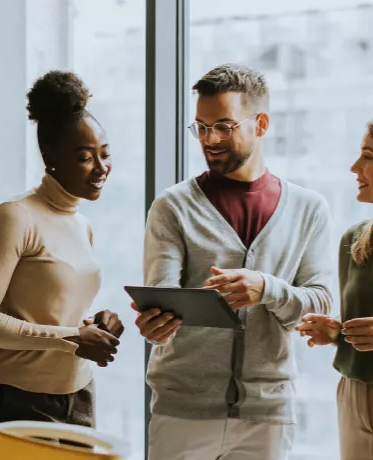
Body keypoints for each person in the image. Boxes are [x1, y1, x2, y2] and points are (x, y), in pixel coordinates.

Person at [132, 63, 333, 459]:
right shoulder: (173, 206)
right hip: (183, 411)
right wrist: (156, 326)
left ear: (260, 123)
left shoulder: (309, 209)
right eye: (201, 127)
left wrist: (266, 289)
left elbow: (321, 302)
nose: (210, 139)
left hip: (268, 414)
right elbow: (164, 297)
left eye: (224, 125)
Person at [0, 70, 124, 432]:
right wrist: (72, 339)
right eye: (85, 157)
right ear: (51, 156)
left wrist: (93, 323)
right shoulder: (15, 217)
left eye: (105, 154)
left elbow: (53, 309)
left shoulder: (82, 225)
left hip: (80, 394)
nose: (101, 168)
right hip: (18, 398)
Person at [296, 121, 373, 460]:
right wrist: (336, 331)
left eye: (368, 156)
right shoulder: (354, 240)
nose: (354, 167)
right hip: (354, 390)